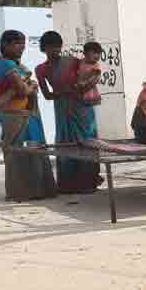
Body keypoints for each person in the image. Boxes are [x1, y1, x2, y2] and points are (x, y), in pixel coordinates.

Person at [0, 30, 57, 201]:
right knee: (20, 153)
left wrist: (29, 86)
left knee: (30, 151)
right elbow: (23, 89)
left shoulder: (12, 64)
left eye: (23, 44)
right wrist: (31, 87)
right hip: (16, 116)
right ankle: (23, 191)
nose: (22, 48)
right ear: (5, 44)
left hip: (25, 114)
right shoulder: (6, 65)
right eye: (17, 44)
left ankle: (36, 190)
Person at [35, 32, 101, 194]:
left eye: (58, 46)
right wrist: (63, 93)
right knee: (66, 143)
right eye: (51, 47)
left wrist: (81, 88)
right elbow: (47, 95)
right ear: (44, 48)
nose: (55, 50)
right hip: (62, 108)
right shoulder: (41, 69)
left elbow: (92, 75)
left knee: (87, 141)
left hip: (82, 108)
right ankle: (68, 184)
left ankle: (89, 182)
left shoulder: (73, 62)